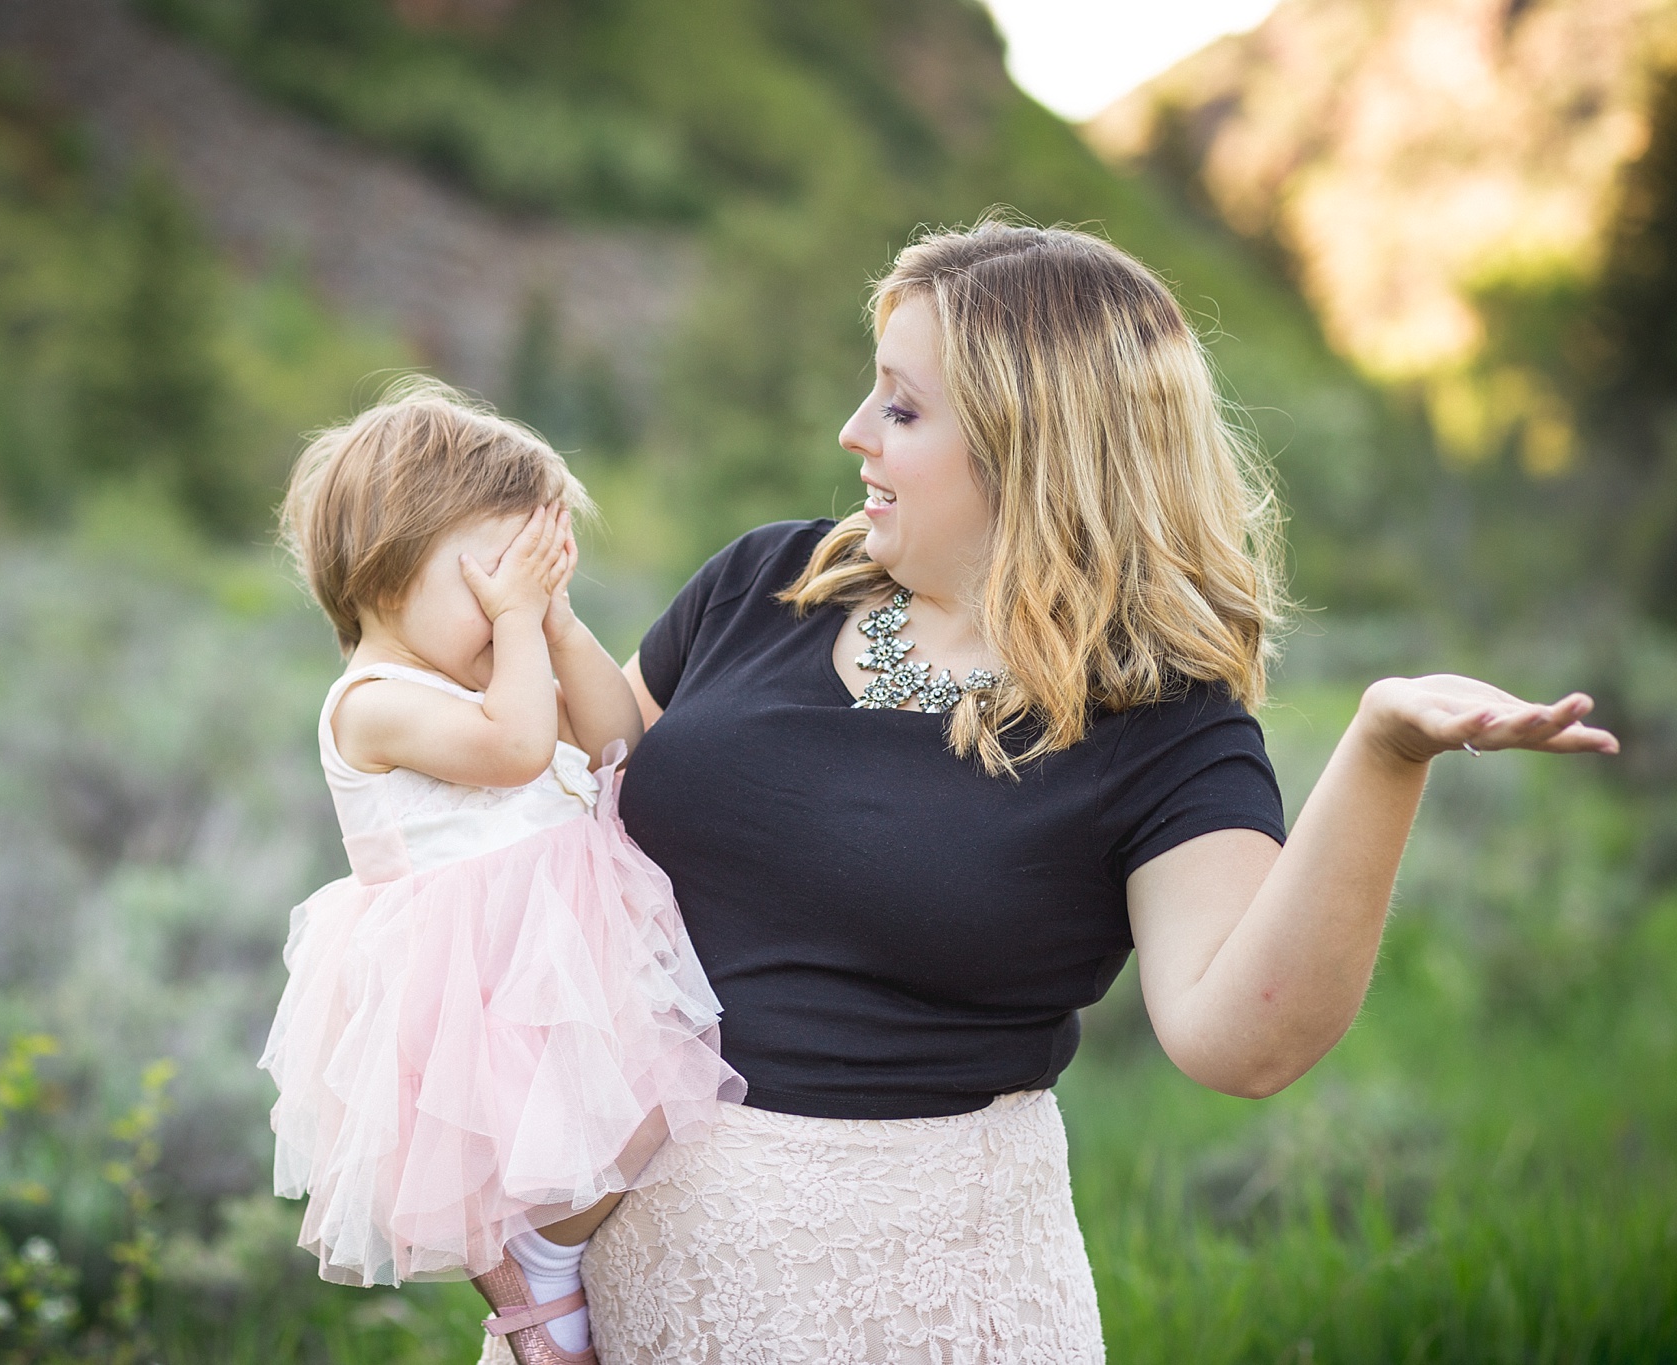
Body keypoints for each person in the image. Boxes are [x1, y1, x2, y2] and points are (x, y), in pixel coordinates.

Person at [474, 218, 1620, 1364]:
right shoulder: (762, 581)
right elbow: (568, 823)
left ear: (1038, 446)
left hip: (898, 1322)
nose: (852, 432)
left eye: (903, 409)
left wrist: (1381, 753)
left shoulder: (1160, 723)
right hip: (615, 1309)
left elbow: (1244, 1043)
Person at [261, 377, 745, 1365]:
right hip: (475, 996)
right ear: (382, 565)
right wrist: (520, 630)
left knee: (649, 1110)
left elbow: (617, 740)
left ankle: (554, 1254)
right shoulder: (372, 701)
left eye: (530, 575)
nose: (506, 604)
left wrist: (555, 624)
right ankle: (536, 1266)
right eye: (490, 578)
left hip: (553, 960)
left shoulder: (499, 668)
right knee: (617, 1130)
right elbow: (517, 750)